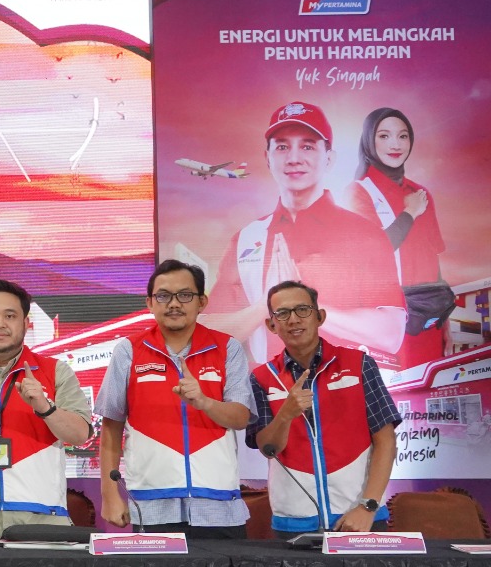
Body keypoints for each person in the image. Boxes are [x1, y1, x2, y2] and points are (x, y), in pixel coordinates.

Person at [205, 102, 405, 364]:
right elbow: (207, 335)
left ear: (329, 158)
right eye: (282, 147)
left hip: (344, 384)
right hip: (269, 387)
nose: (294, 158)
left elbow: (391, 334)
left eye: (307, 146)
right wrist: (265, 306)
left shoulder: (365, 235)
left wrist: (308, 307)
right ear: (267, 158)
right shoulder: (247, 239)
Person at [97, 260, 253, 537]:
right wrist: (109, 495)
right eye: (163, 296)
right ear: (149, 303)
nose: (174, 304)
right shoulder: (128, 351)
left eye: (185, 295)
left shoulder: (228, 348)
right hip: (152, 502)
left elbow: (241, 417)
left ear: (202, 302)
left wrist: (204, 402)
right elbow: (111, 427)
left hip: (218, 504)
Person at [0, 279, 92, 540]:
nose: (0, 324)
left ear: (25, 323)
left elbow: (79, 435)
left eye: (10, 316)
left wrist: (45, 407)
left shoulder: (56, 371)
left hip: (45, 519)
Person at [246, 281, 401, 535]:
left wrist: (368, 506)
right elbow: (267, 448)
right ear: (271, 325)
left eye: (302, 310)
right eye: (282, 313)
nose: (293, 319)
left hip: (359, 517)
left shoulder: (359, 364)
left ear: (320, 317)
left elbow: (386, 440)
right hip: (294, 521)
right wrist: (285, 415)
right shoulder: (262, 377)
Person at [338, 107, 451, 368]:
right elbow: (374, 253)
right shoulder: (358, 193)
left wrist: (444, 322)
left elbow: (433, 259)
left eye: (403, 136)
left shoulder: (421, 194)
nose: (395, 144)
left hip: (427, 321)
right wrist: (410, 213)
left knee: (426, 390)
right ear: (369, 140)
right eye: (384, 136)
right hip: (387, 322)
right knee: (387, 389)